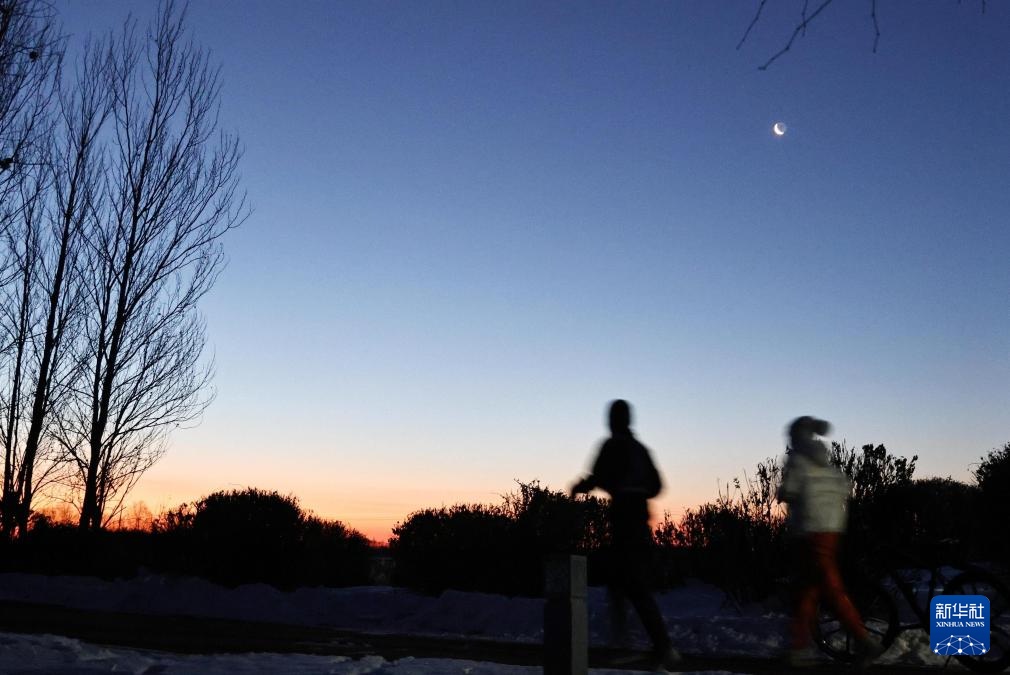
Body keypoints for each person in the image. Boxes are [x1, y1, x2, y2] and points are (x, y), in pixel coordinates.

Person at [571, 399, 681, 670]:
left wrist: (580, 487)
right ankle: (636, 645)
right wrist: (638, 490)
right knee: (624, 582)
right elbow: (657, 485)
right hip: (639, 518)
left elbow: (597, 476)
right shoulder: (641, 449)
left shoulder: (612, 446)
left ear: (613, 420)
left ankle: (657, 647)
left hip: (623, 518)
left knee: (629, 583)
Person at [777, 416, 882, 666]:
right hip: (833, 530)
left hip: (809, 530)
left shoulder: (797, 459)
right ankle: (798, 648)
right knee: (808, 589)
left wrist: (784, 492)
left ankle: (863, 641)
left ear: (795, 437)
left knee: (829, 587)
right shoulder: (826, 463)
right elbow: (845, 488)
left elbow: (788, 491)